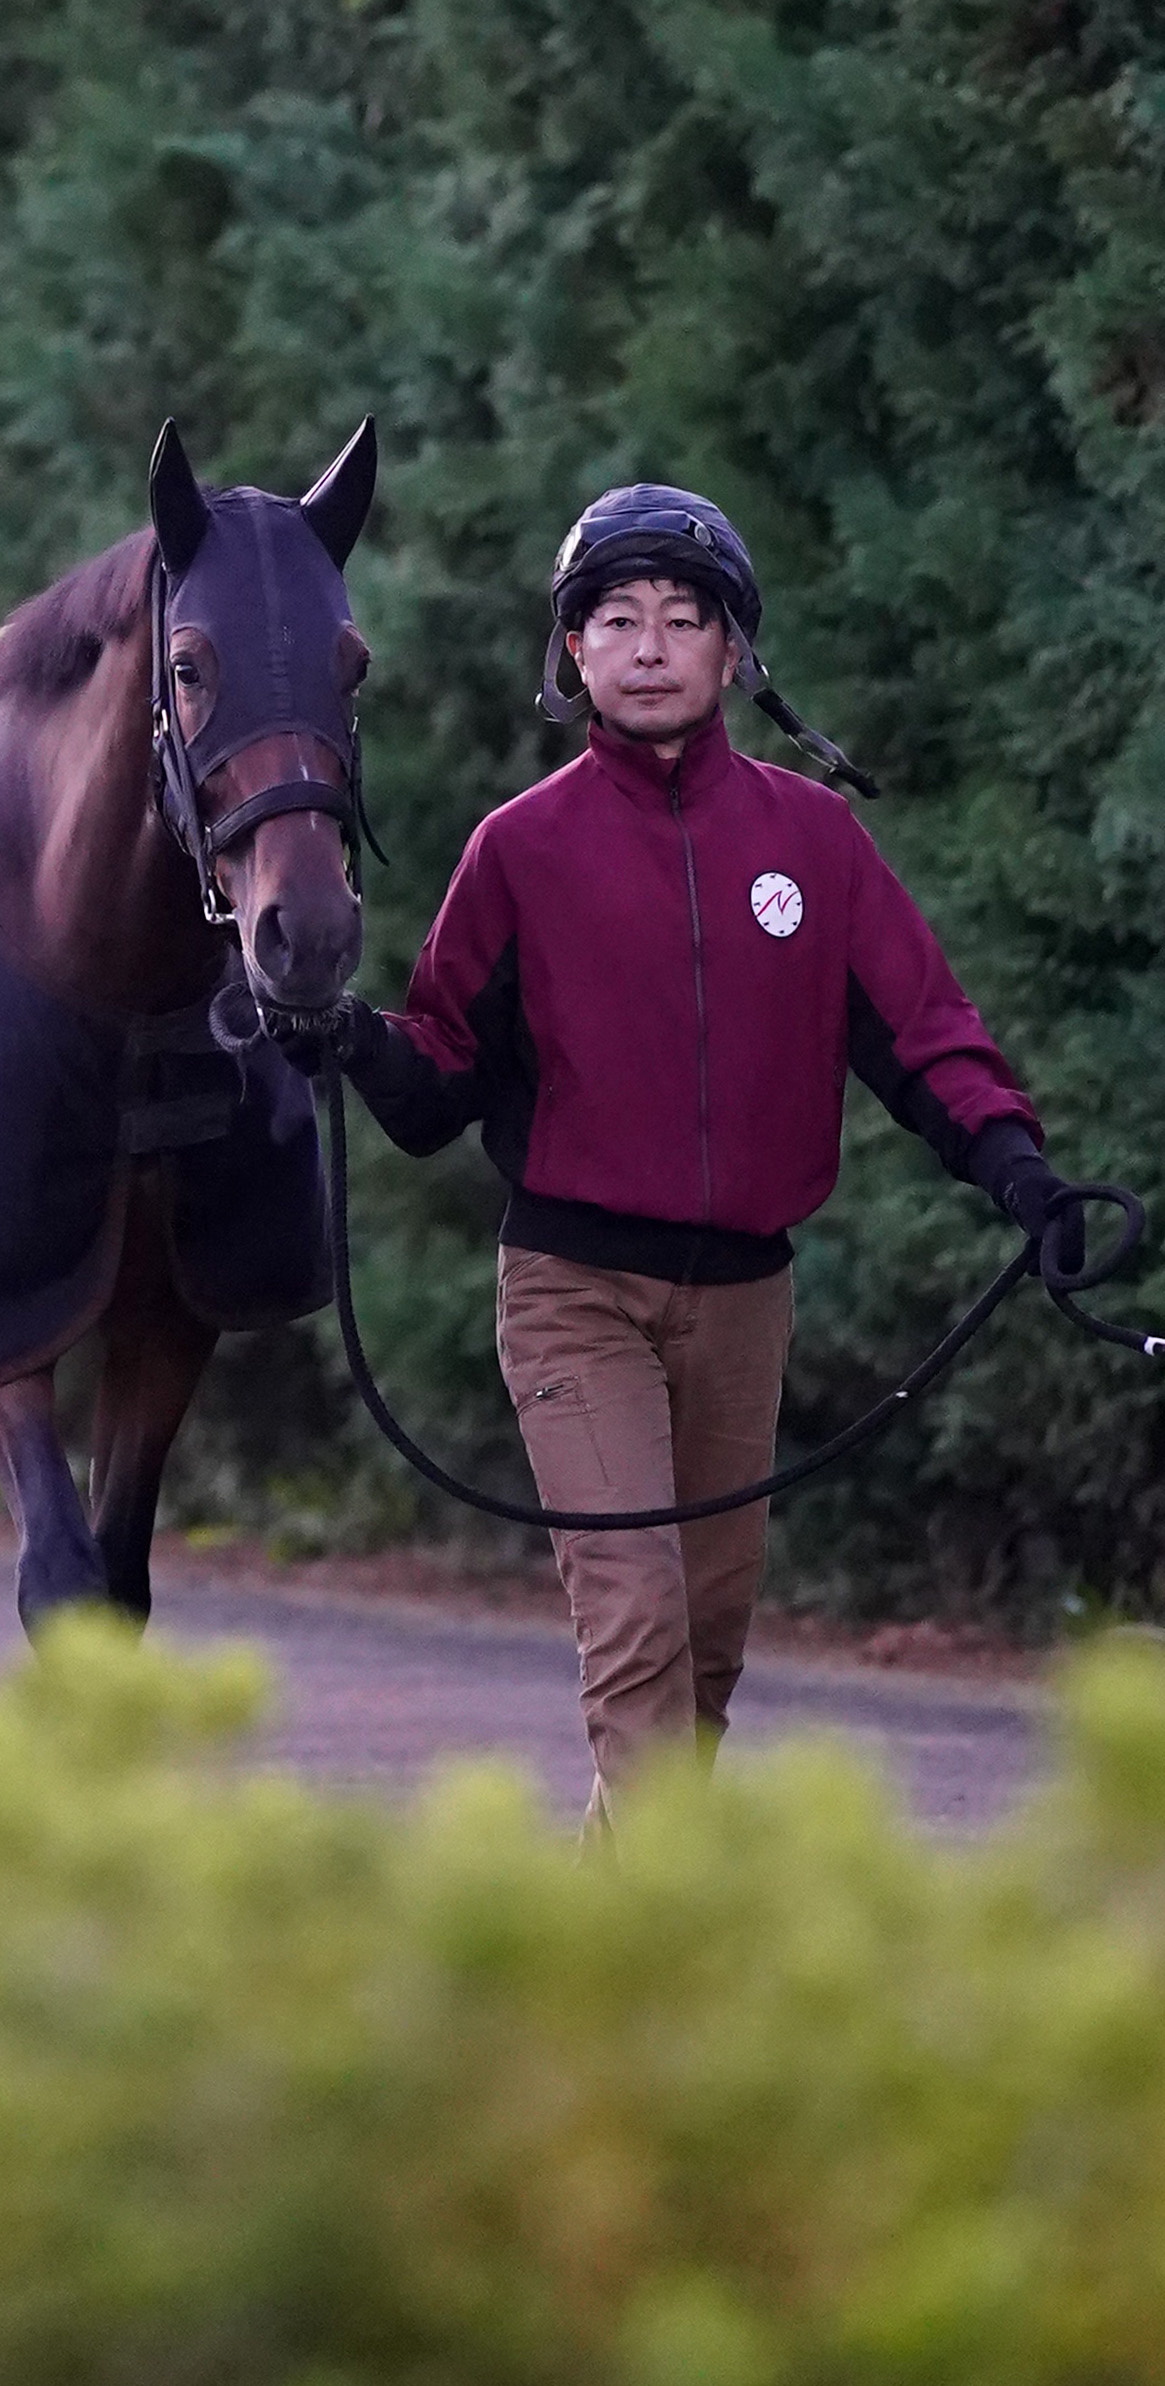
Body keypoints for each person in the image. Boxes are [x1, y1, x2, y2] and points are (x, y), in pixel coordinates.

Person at [283, 484, 1080, 1836]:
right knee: (638, 1623)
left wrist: (1020, 1173)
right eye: (615, 619)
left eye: (681, 618)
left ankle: (608, 1955)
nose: (648, 643)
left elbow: (926, 1036)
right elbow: (437, 1087)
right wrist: (350, 1042)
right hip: (573, 1287)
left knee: (704, 1657)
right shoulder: (517, 851)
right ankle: (655, 1978)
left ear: (732, 655)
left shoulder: (813, 844)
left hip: (742, 1302)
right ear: (572, 656)